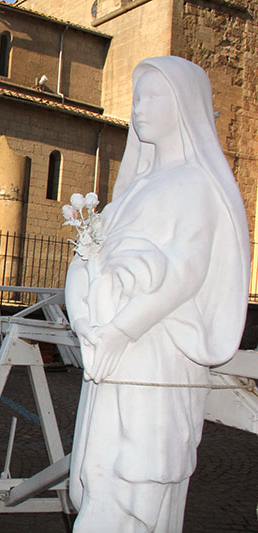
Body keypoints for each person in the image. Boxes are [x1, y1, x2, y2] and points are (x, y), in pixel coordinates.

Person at [65, 56, 250, 532]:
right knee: (98, 477)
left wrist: (120, 331)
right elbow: (87, 255)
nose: (139, 109)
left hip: (156, 358)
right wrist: (89, 328)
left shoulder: (195, 184)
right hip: (110, 358)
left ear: (184, 106)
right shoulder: (132, 191)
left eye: (152, 97)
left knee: (134, 488)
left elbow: (184, 273)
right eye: (136, 99)